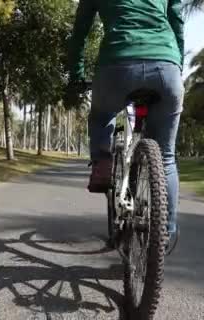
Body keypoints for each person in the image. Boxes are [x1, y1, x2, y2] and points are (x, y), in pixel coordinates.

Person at [66, 0, 184, 251]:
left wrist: (76, 74)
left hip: (117, 66)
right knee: (166, 158)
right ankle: (165, 232)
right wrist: (177, 64)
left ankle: (103, 162)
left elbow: (80, 30)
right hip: (166, 68)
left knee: (101, 115)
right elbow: (177, 21)